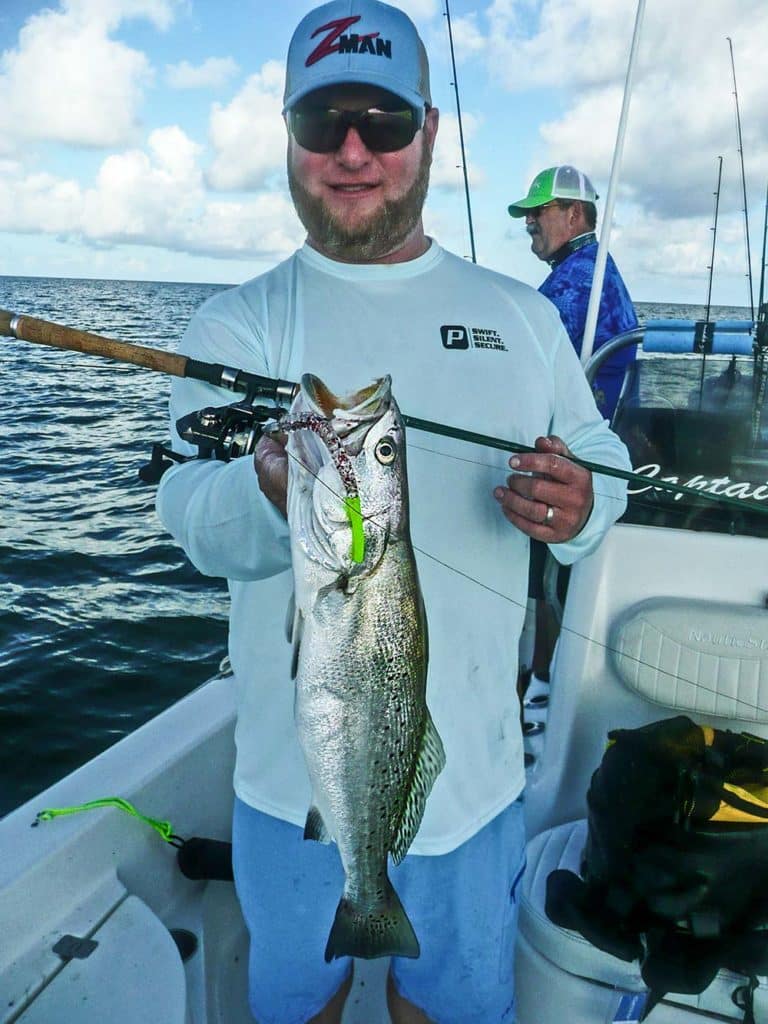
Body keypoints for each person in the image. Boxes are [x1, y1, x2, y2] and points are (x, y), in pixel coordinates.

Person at [156, 4, 631, 1023]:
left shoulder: (526, 316)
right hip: (291, 788)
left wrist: (582, 503)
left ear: (430, 131)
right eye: (325, 121)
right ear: (290, 134)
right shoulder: (236, 319)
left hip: (475, 790)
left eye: (384, 118)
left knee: (453, 1008)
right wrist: (265, 490)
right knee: (299, 1008)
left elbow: (605, 466)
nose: (354, 151)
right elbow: (191, 518)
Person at [509, 166, 639, 698]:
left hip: (569, 461)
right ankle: (545, 683)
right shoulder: (602, 270)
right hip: (597, 449)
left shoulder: (570, 285)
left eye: (538, 214)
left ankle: (540, 687)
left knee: (544, 580)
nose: (529, 226)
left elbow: (522, 371)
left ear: (573, 214)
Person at [508, 164, 638, 421]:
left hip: (577, 436)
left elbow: (520, 357)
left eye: (537, 210)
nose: (528, 220)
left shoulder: (579, 279)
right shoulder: (596, 265)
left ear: (574, 213)